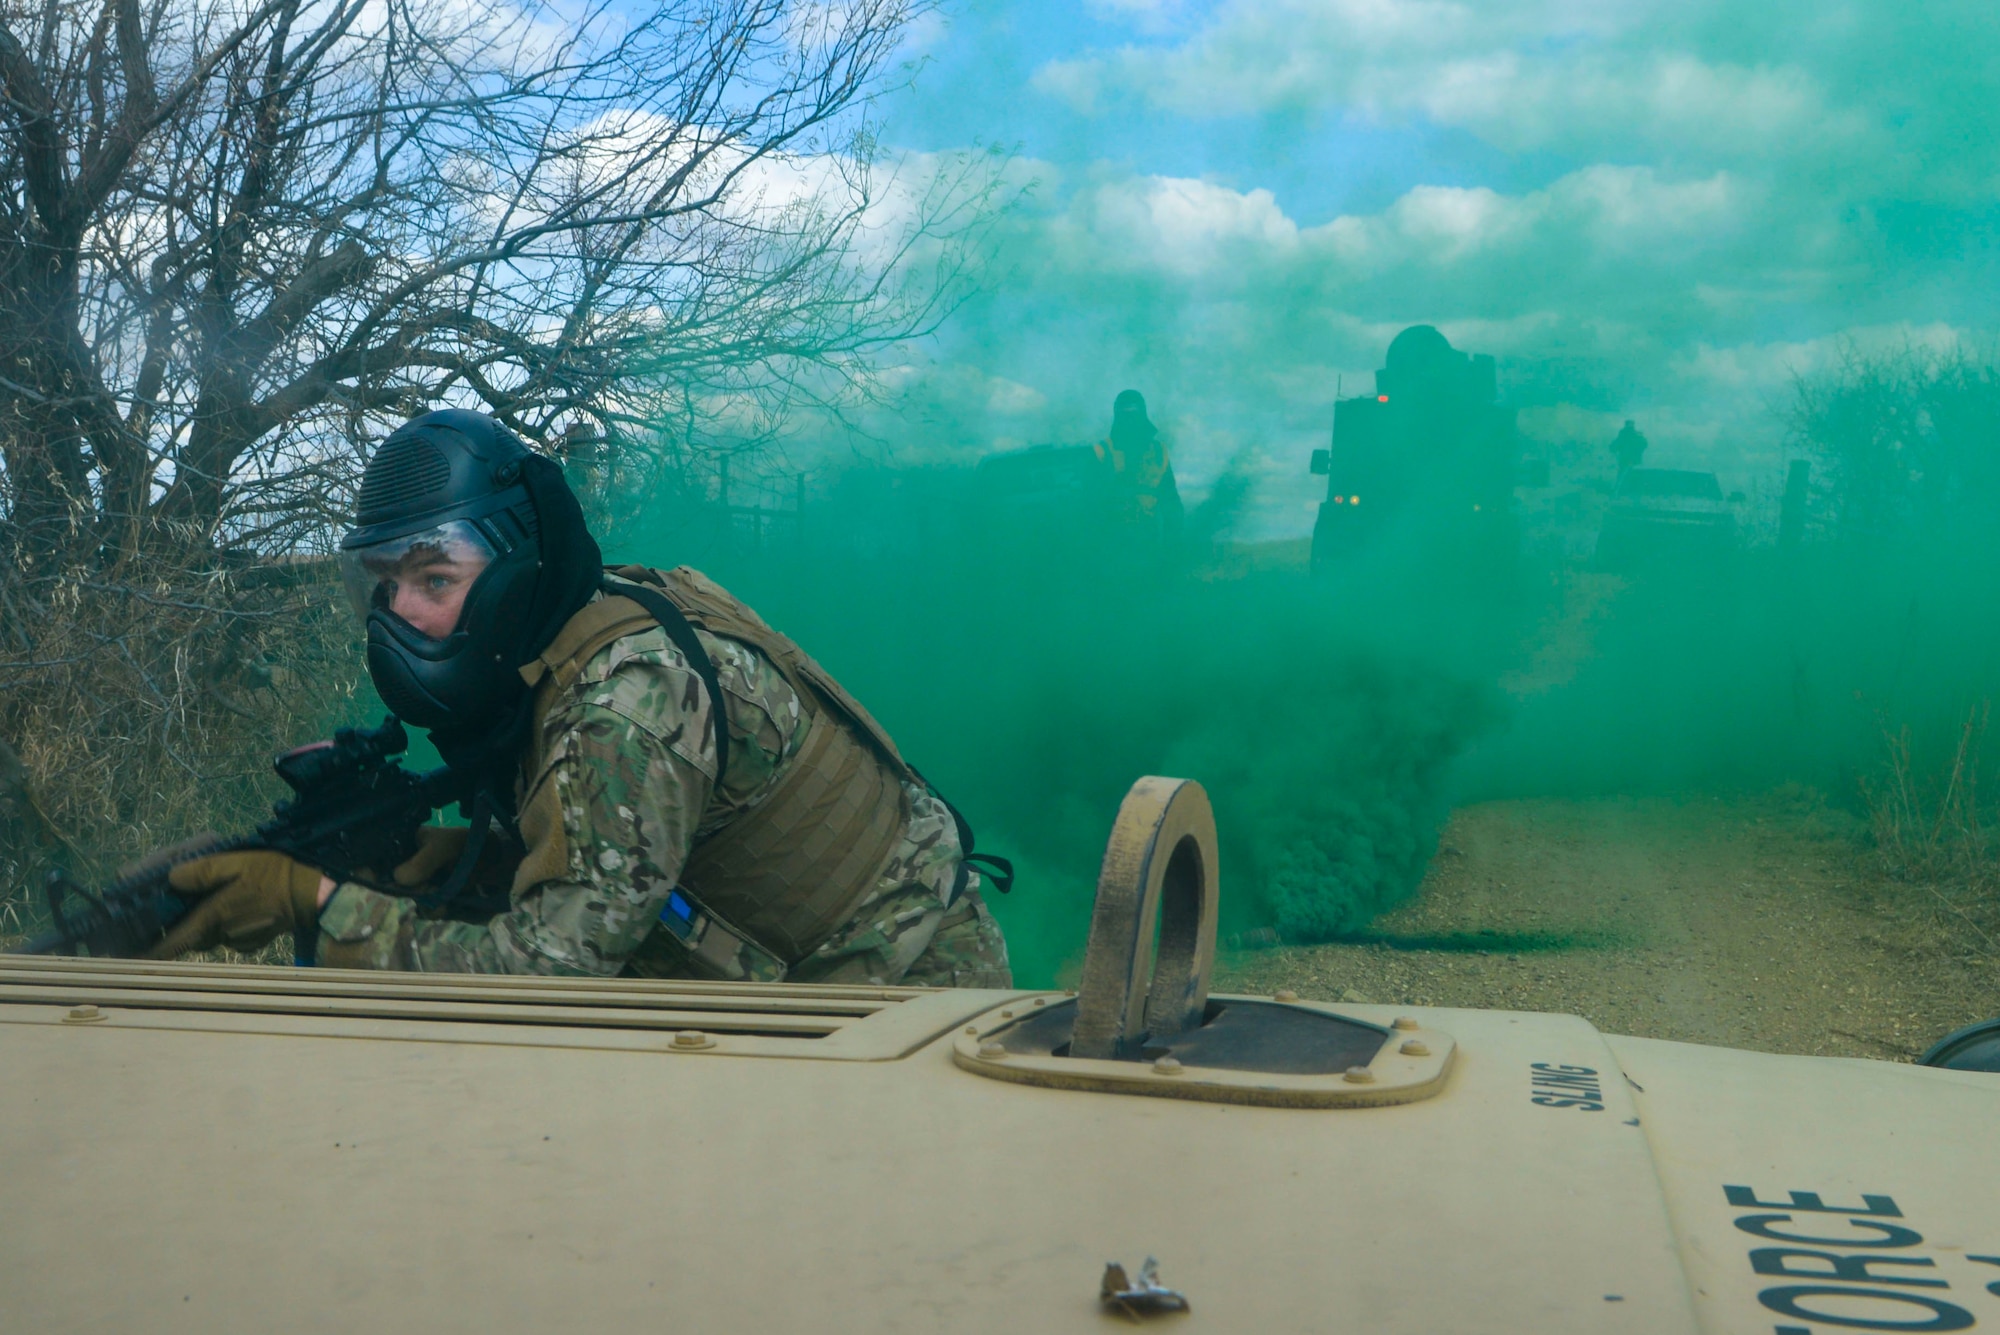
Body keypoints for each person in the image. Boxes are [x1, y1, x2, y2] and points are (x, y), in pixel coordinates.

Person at [150, 410, 1012, 987]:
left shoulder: (624, 702)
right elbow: (605, 851)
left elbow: (549, 971)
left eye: (434, 578)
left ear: (515, 580)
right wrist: (452, 856)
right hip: (810, 984)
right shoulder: (575, 630)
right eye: (381, 584)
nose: (398, 614)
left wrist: (323, 906)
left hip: (905, 991)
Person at [1093, 389, 1183, 530]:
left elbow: (1170, 498)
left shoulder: (1158, 451)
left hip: (1149, 532)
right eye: (1125, 414)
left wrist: (1174, 538)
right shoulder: (1102, 451)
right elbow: (1091, 501)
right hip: (1112, 534)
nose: (1130, 421)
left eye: (1134, 413)